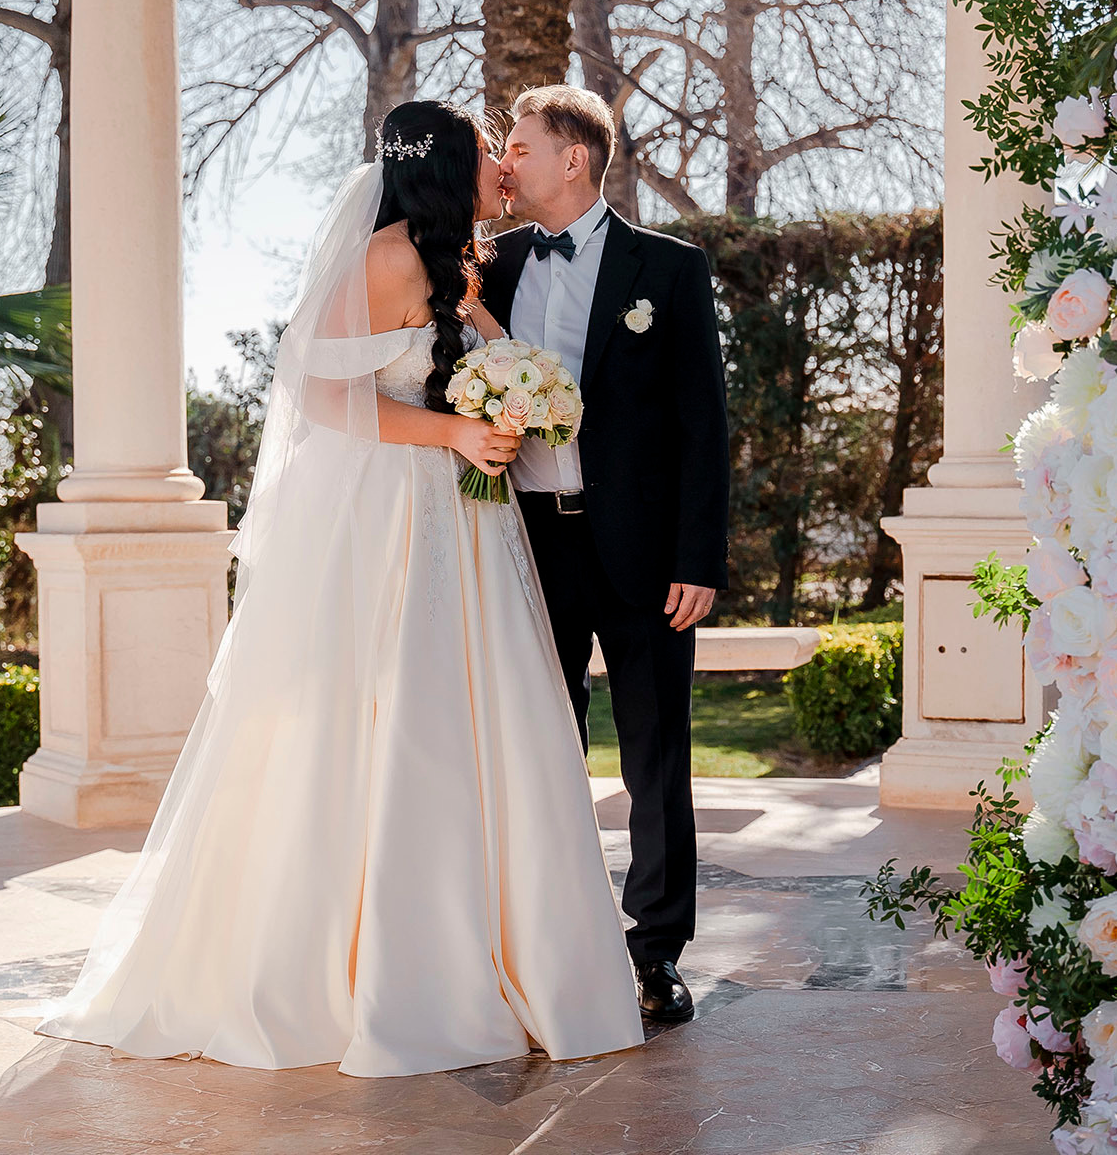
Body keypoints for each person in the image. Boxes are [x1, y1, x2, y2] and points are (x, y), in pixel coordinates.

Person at [37, 100, 644, 1076]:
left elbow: (476, 370)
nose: (501, 161)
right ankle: (395, 975)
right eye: (488, 149)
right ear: (448, 165)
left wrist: (508, 409)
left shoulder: (461, 261)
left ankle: (516, 956)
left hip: (470, 521)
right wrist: (454, 431)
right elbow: (318, 392)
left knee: (483, 721)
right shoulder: (390, 253)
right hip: (397, 514)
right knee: (398, 718)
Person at [483, 85, 731, 1024]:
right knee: (535, 748)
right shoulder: (490, 267)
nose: (506, 161)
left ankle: (656, 950)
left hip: (644, 553)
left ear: (574, 159)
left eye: (520, 145)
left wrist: (698, 558)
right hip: (521, 544)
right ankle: (545, 942)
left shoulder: (666, 270)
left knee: (655, 754)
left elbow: (703, 425)